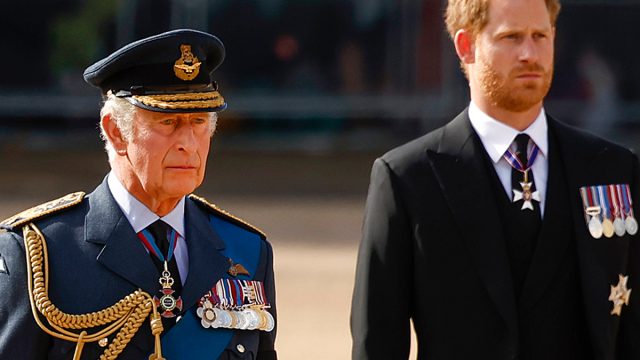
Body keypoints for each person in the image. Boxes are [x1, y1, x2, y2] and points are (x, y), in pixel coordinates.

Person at [350, 0, 640, 359]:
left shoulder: (612, 169)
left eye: (540, 35)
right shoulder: (407, 179)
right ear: (466, 46)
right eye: (511, 37)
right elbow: (377, 343)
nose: (530, 53)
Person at [0, 29, 277, 359]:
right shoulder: (40, 253)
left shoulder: (247, 250)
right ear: (116, 131)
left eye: (199, 121)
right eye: (168, 122)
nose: (188, 143)